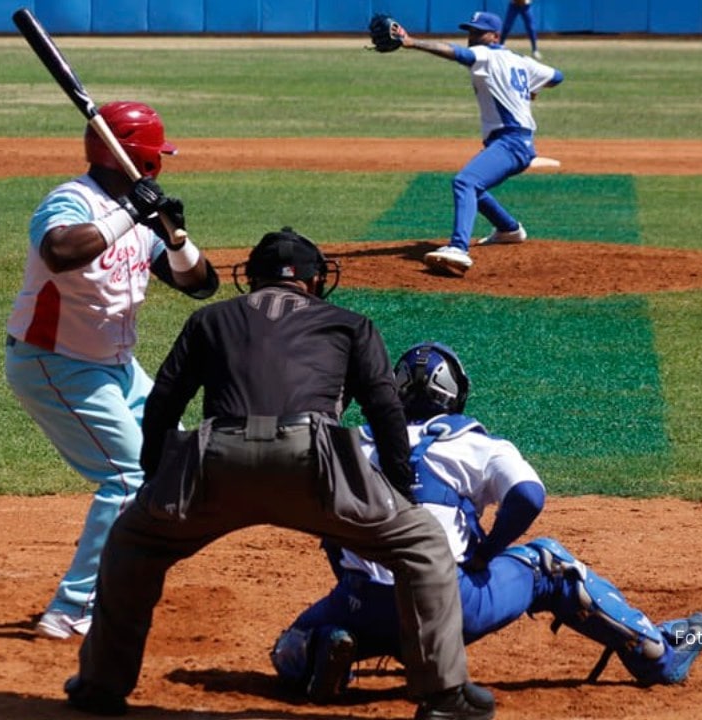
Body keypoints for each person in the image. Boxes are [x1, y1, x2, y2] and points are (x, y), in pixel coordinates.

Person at [64, 229, 495, 720]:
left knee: (132, 543)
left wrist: (155, 480)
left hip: (217, 460)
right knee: (420, 544)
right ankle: (443, 695)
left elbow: (164, 400)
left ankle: (101, 686)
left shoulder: (209, 319)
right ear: (314, 280)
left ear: (250, 278)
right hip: (313, 462)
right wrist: (400, 491)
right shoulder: (350, 324)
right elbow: (384, 409)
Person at [270, 342, 702, 702]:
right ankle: (658, 654)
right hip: (452, 607)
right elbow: (528, 495)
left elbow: (319, 517)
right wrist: (488, 549)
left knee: (287, 647)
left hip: (363, 605)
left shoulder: (353, 447)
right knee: (549, 565)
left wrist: (351, 575)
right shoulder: (473, 442)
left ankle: (324, 646)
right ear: (455, 394)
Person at [4, 101, 219, 641]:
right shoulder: (70, 202)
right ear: (142, 157)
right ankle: (70, 610)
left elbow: (201, 286)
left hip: (116, 369)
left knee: (177, 459)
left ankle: (127, 577)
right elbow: (58, 252)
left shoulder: (142, 215)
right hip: (55, 363)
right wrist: (130, 212)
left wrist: (175, 236)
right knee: (125, 476)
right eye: (157, 154)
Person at [390, 12, 564, 276]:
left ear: (495, 36)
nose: (473, 37)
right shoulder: (520, 60)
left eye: (479, 32)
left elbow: (454, 52)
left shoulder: (486, 54)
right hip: (514, 140)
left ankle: (458, 249)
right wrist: (531, 88)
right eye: (471, 31)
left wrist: (412, 42)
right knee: (476, 186)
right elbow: (557, 76)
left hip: (512, 141)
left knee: (465, 182)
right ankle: (508, 229)